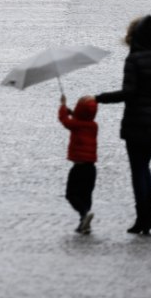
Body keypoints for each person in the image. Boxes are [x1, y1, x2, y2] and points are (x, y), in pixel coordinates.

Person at [96, 14, 151, 235]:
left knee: (138, 170)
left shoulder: (135, 60)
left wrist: (99, 98)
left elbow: (129, 93)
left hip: (137, 123)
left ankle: (144, 217)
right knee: (144, 167)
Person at [58, 94, 98, 234]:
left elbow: (64, 121)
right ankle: (84, 223)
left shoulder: (76, 125)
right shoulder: (93, 126)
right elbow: (81, 120)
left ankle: (84, 214)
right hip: (91, 169)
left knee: (71, 194)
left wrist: (63, 106)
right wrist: (72, 113)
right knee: (86, 195)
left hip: (79, 167)